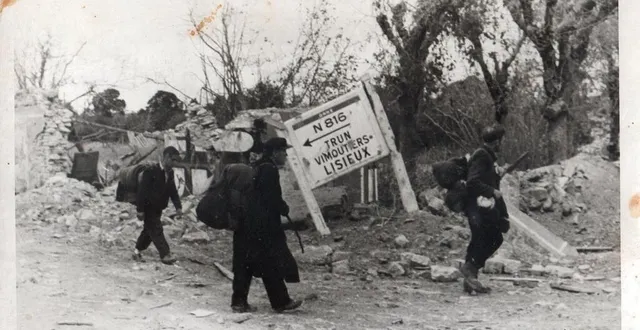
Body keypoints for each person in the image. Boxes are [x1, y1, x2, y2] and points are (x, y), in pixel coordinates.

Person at [231, 137, 302, 313]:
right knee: (271, 262)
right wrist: (283, 207)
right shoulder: (269, 169)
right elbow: (270, 198)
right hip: (262, 227)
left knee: (245, 264)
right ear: (276, 152)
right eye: (284, 151)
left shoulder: (256, 166)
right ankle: (280, 302)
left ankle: (239, 302)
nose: (286, 155)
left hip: (245, 225)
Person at [461, 124, 511, 294]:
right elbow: (472, 182)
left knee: (482, 239)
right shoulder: (482, 155)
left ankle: (471, 278)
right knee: (492, 238)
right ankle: (470, 269)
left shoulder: (488, 156)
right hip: (478, 207)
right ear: (496, 141)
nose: (501, 143)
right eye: (500, 140)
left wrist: (497, 175)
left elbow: (484, 177)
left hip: (483, 207)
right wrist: (492, 191)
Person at [132, 146, 183, 265]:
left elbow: (173, 191)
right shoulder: (151, 170)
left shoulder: (170, 173)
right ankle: (165, 254)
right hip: (148, 207)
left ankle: (137, 251)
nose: (175, 163)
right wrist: (140, 210)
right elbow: (142, 191)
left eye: (176, 161)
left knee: (149, 232)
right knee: (156, 228)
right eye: (173, 160)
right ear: (166, 157)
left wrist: (178, 206)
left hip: (159, 207)